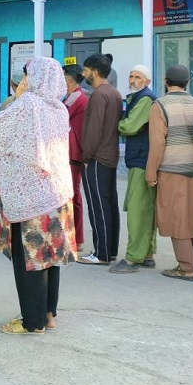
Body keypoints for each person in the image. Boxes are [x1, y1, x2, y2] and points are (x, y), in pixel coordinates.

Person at [0, 57, 76, 335]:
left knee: (30, 261)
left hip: (31, 198)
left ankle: (32, 321)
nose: (24, 81)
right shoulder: (59, 108)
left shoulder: (27, 105)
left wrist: (18, 96)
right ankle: (49, 314)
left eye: (27, 76)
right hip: (57, 194)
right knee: (49, 258)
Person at [145, 65, 193, 282]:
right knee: (192, 216)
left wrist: (151, 172)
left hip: (171, 169)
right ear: (187, 82)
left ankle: (186, 267)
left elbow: (158, 143)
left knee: (176, 216)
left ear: (165, 81)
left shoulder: (160, 105)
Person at [110, 65, 158, 274]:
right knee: (144, 208)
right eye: (131, 75)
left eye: (138, 76)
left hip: (141, 159)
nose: (133, 79)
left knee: (137, 209)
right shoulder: (137, 98)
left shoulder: (144, 99)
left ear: (147, 80)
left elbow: (128, 127)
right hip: (141, 158)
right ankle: (147, 253)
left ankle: (133, 258)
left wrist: (121, 124)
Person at [77, 53, 123, 266]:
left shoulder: (98, 95)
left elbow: (94, 129)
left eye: (86, 70)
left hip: (97, 158)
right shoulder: (114, 92)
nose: (83, 74)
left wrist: (86, 155)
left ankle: (101, 253)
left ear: (94, 72)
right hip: (109, 155)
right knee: (109, 203)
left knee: (98, 205)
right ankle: (110, 250)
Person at [62, 64, 88, 252]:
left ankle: (75, 238)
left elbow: (60, 116)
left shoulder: (76, 97)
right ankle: (74, 238)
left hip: (73, 153)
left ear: (68, 79)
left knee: (72, 196)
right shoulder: (74, 96)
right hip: (71, 152)